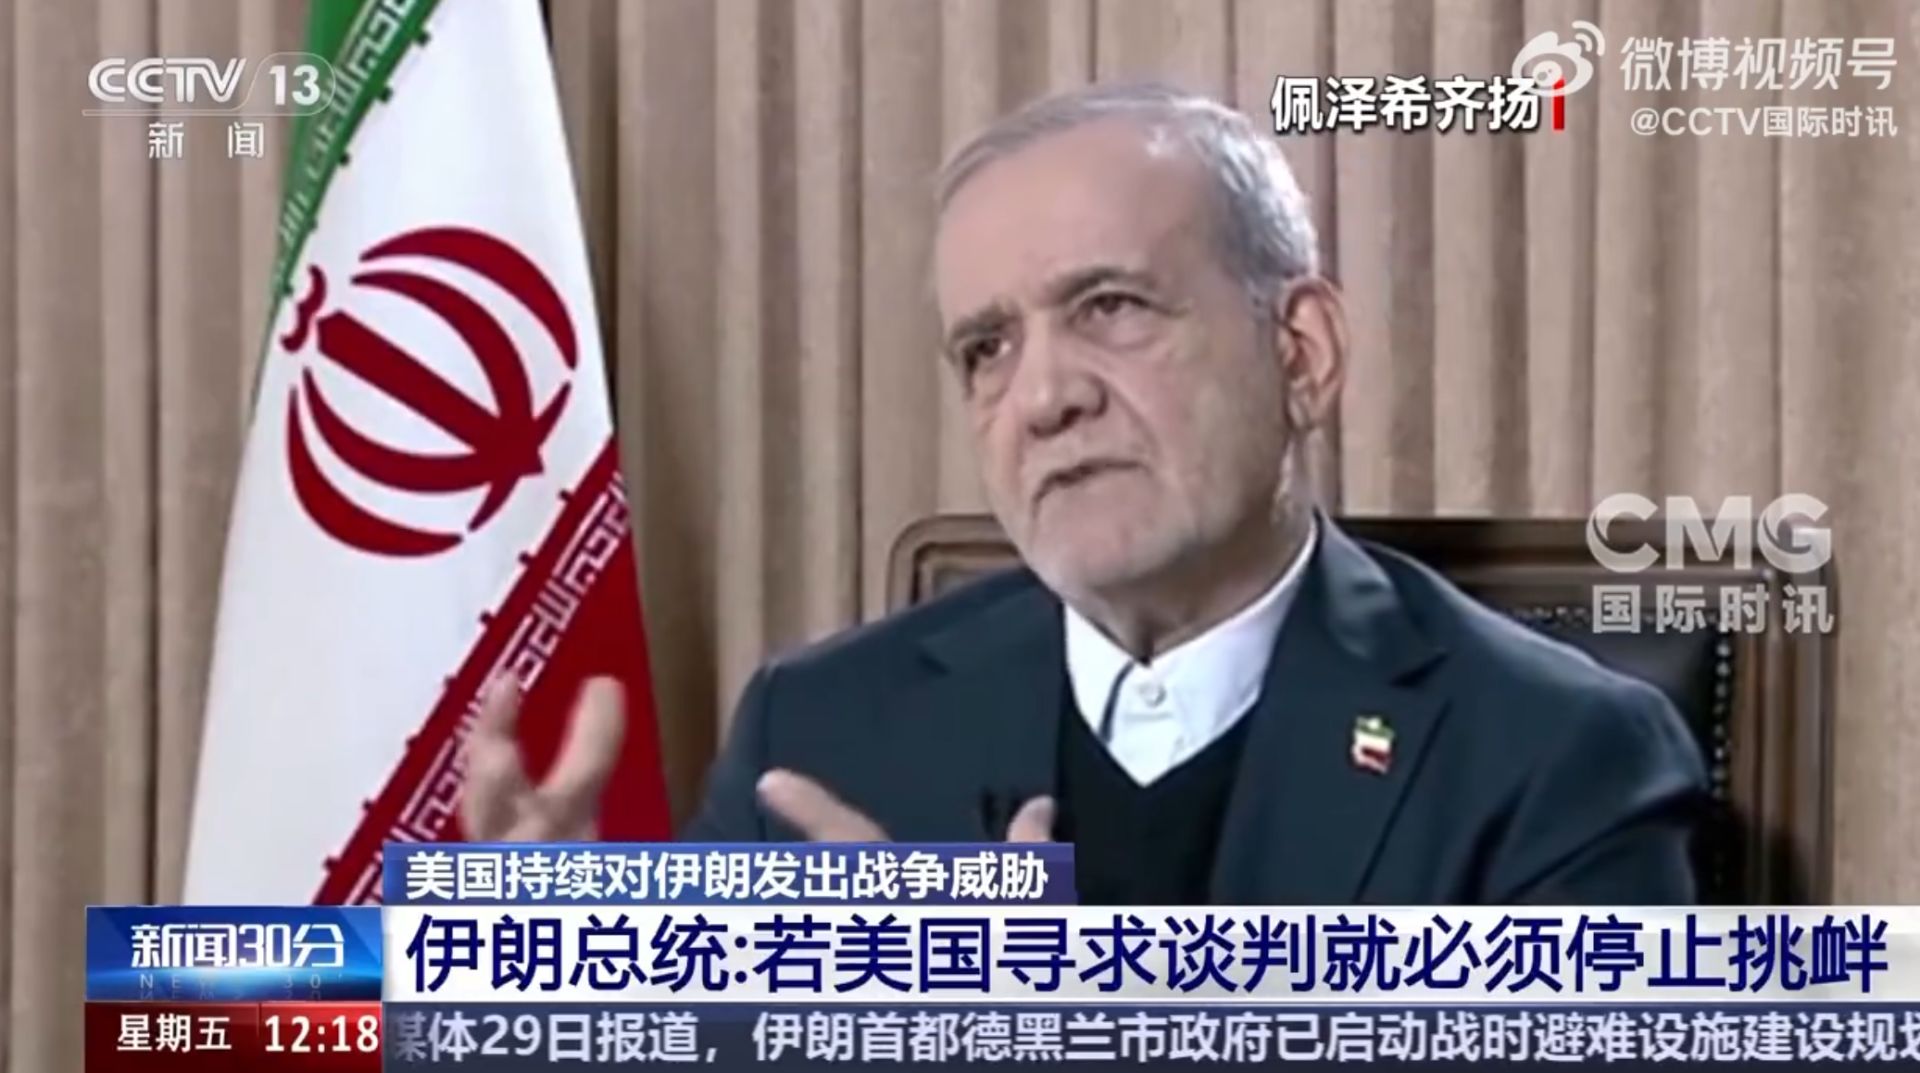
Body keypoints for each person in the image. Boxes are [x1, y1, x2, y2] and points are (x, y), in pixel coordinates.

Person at [461, 83, 1706, 904]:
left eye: (1111, 306)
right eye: (986, 347)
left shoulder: (1551, 756)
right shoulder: (823, 732)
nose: (1044, 396)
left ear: (1303, 353)